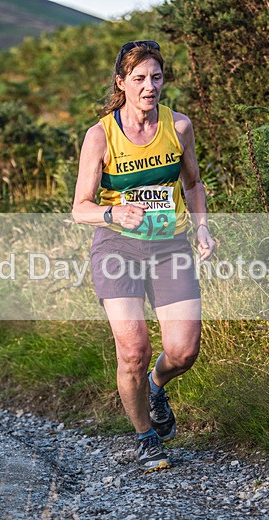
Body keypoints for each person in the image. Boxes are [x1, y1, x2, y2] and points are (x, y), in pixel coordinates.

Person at [72, 40, 216, 471]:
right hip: (117, 246)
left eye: (156, 77)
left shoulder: (180, 127)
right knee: (133, 348)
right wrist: (114, 210)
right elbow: (80, 207)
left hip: (170, 244)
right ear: (122, 83)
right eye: (139, 79)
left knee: (184, 350)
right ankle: (146, 437)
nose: (149, 86)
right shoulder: (100, 136)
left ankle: (156, 385)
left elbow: (192, 185)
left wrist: (203, 226)